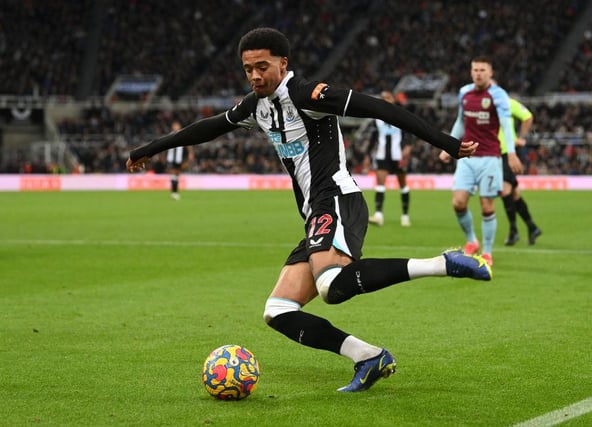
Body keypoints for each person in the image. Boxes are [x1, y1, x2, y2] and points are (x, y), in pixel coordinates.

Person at [126, 27, 491, 393]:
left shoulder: (307, 95)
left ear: (283, 64)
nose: (254, 75)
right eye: (248, 68)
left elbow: (380, 108)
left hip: (336, 198)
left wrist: (445, 142)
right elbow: (207, 128)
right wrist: (150, 148)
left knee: (331, 286)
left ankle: (442, 263)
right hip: (314, 213)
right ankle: (368, 356)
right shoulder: (257, 105)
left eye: (262, 66)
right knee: (278, 310)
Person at [439, 55, 523, 266]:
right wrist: (449, 146)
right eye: (475, 70)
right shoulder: (464, 93)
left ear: (490, 73)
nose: (478, 73)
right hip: (467, 156)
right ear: (471, 72)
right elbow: (461, 121)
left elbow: (506, 125)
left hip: (490, 158)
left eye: (482, 70)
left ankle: (487, 252)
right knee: (458, 202)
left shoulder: (498, 95)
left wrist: (511, 153)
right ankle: (471, 241)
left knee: (487, 206)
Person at [499, 98, 542, 245]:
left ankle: (513, 231)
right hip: (493, 154)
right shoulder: (482, 104)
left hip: (507, 153)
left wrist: (521, 138)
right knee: (514, 193)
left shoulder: (505, 102)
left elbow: (527, 116)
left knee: (505, 191)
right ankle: (532, 227)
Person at [367, 91, 413, 227]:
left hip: (398, 156)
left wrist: (408, 147)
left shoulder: (400, 116)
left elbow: (409, 133)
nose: (385, 100)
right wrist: (367, 155)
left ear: (393, 100)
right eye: (383, 98)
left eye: (388, 97)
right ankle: (378, 215)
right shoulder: (376, 118)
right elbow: (372, 138)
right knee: (380, 183)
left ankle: (405, 215)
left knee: (403, 184)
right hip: (382, 155)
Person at [166, 120, 194, 200]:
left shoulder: (182, 134)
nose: (175, 127)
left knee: (176, 175)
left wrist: (190, 153)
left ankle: (174, 192)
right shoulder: (170, 135)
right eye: (174, 126)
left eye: (177, 125)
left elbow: (188, 145)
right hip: (171, 158)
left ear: (179, 126)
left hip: (179, 159)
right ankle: (174, 192)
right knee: (173, 174)